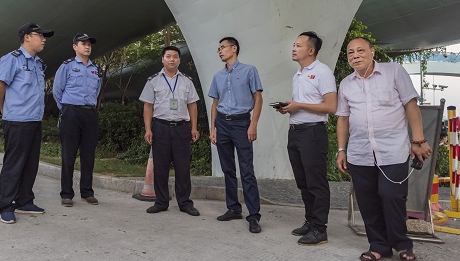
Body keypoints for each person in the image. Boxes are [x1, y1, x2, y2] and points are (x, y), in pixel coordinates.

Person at [336, 37, 432, 261]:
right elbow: (343, 118)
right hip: (360, 152)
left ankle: (402, 243)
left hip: (393, 149)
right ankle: (379, 246)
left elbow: (410, 105)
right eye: (351, 52)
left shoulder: (394, 71)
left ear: (372, 51)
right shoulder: (346, 84)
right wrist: (341, 150)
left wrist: (418, 139)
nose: (355, 55)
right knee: (367, 201)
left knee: (391, 195)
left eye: (360, 50)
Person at [276, 31, 336, 245]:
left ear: (311, 50)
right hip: (295, 131)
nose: (294, 48)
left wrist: (299, 105)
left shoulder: (322, 72)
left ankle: (320, 229)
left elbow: (331, 106)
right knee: (303, 182)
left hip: (313, 133)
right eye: (294, 44)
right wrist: (289, 108)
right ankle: (310, 221)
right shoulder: (298, 74)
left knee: (316, 182)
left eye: (298, 45)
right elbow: (303, 104)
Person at [0, 23, 54, 224]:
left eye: (45, 36)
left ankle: (24, 200)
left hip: (34, 120)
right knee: (14, 165)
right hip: (17, 120)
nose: (43, 39)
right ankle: (5, 206)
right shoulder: (11, 59)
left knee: (30, 164)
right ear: (27, 37)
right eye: (40, 35)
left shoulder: (38, 63)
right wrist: (3, 108)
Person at [209, 37, 263, 233]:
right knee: (228, 169)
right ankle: (233, 208)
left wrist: (253, 124)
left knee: (246, 169)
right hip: (222, 123)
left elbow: (258, 98)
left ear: (234, 48)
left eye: (223, 47)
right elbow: (215, 103)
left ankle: (254, 216)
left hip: (242, 123)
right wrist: (213, 128)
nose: (220, 51)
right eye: (218, 48)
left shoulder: (249, 70)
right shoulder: (218, 76)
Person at [139, 46, 200, 216]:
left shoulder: (187, 81)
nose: (172, 59)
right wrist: (148, 129)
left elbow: (192, 105)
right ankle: (161, 202)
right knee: (160, 167)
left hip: (181, 128)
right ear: (162, 59)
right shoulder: (153, 81)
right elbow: (148, 106)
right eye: (168, 56)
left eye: (175, 56)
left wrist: (194, 127)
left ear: (179, 60)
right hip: (161, 128)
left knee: (183, 167)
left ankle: (185, 203)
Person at [53, 33, 102, 207]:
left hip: (89, 113)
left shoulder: (96, 69)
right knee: (69, 154)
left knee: (88, 154)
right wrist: (66, 109)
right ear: (75, 47)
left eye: (89, 44)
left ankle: (87, 192)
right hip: (71, 112)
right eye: (83, 44)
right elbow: (57, 90)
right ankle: (66, 193)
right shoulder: (67, 66)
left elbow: (96, 91)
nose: (87, 47)